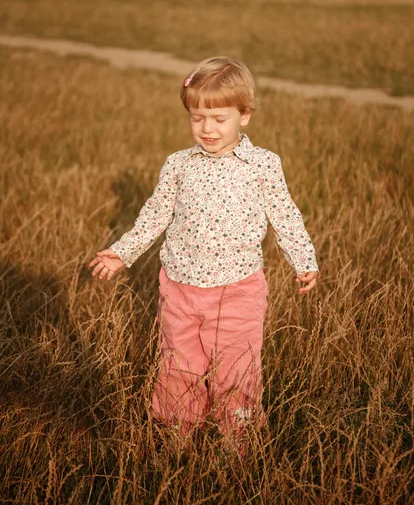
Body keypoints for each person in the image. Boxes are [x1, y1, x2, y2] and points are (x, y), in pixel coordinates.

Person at [88, 56, 319, 442]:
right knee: (178, 367)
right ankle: (176, 433)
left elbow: (286, 215)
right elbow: (154, 216)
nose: (207, 128)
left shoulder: (262, 165)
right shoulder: (179, 164)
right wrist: (122, 252)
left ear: (244, 115)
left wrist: (303, 259)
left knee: (236, 369)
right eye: (197, 118)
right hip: (179, 287)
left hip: (237, 289)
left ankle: (237, 439)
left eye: (219, 119)